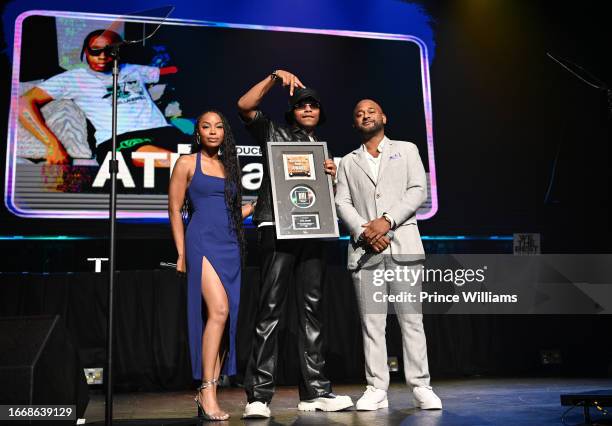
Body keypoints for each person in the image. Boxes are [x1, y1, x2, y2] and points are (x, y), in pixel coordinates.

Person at [237, 70, 353, 418]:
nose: (308, 109)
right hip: (277, 226)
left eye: (313, 105)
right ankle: (258, 397)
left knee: (312, 310)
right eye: (302, 104)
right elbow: (244, 106)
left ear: (320, 113)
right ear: (292, 110)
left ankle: (315, 391)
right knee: (270, 309)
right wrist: (274, 77)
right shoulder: (274, 132)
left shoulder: (322, 149)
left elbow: (320, 199)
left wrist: (330, 179)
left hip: (313, 232)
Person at [335, 99, 442, 411]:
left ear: (384, 116)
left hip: (403, 246)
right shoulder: (348, 161)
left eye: (371, 110)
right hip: (366, 251)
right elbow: (342, 202)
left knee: (411, 320)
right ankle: (375, 387)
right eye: (358, 113)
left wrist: (387, 221)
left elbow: (418, 190)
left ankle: (421, 386)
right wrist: (364, 230)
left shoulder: (406, 149)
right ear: (355, 124)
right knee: (372, 323)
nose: (365, 115)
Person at [168, 109, 254, 421]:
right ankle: (206, 390)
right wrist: (180, 253)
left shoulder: (229, 166)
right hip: (200, 242)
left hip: (230, 244)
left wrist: (257, 206)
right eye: (206, 126)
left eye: (218, 127)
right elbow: (175, 209)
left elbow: (231, 214)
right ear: (198, 132)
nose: (213, 131)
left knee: (225, 317)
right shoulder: (187, 163)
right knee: (217, 311)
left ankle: (209, 389)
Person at [19, 29, 187, 167]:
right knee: (182, 164)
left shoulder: (132, 69)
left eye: (110, 50)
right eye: (95, 50)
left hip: (165, 132)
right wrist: (52, 144)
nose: (102, 56)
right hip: (120, 140)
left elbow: (172, 72)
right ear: (86, 51)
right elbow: (22, 103)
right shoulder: (73, 78)